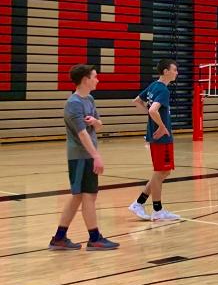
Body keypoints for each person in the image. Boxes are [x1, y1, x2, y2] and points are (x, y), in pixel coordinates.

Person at [49, 64, 120, 251]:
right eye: (95, 77)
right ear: (85, 79)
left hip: (87, 155)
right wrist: (96, 156)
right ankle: (94, 238)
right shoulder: (73, 104)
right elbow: (82, 134)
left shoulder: (89, 99)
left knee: (80, 196)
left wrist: (96, 122)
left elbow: (98, 126)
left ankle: (59, 238)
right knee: (87, 195)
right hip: (80, 157)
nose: (97, 80)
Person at [128, 59, 180, 222]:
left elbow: (136, 101)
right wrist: (162, 126)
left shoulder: (153, 86)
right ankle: (157, 210)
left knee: (164, 171)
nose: (176, 73)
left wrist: (152, 120)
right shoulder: (163, 90)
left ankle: (139, 203)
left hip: (156, 135)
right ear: (166, 72)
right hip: (161, 137)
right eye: (174, 70)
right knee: (160, 172)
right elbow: (152, 110)